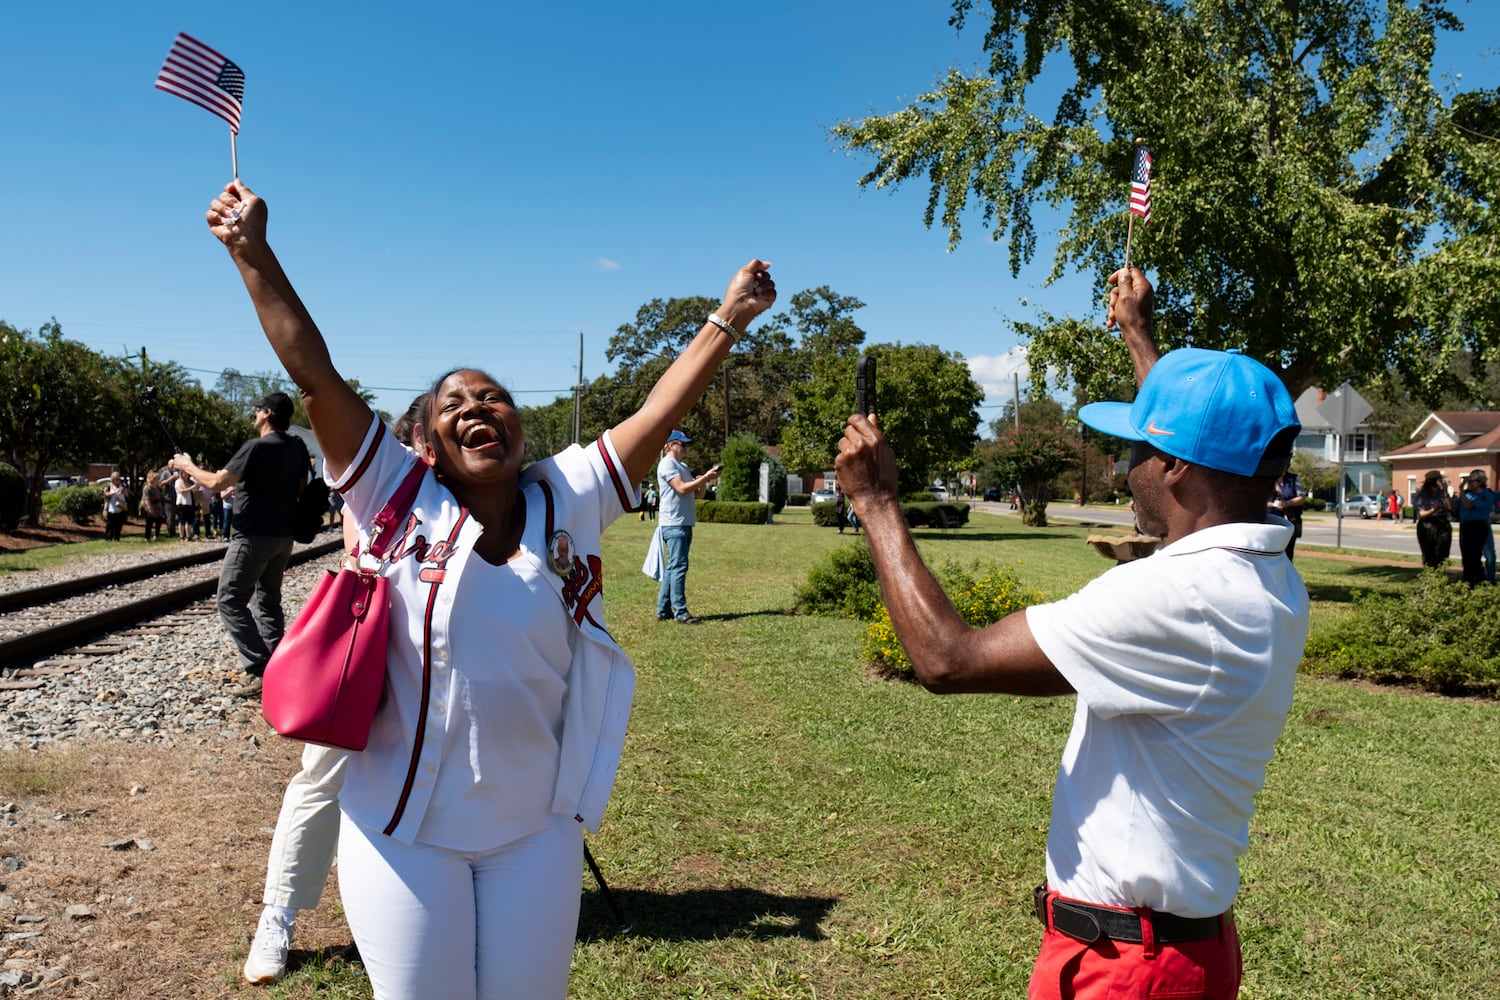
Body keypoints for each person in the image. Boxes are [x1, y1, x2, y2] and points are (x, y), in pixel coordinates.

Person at [205, 177, 773, 999]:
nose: (478, 407)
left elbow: (655, 413)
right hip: (404, 835)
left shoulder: (565, 494)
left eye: (494, 398)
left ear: (518, 429)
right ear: (427, 444)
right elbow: (315, 375)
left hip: (533, 834)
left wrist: (729, 317)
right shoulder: (396, 493)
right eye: (455, 404)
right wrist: (252, 253)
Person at [836, 267, 1306, 1000]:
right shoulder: (1269, 574)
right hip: (1182, 949)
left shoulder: (1172, 597)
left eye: (1136, 453)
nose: (1126, 474)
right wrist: (1137, 335)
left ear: (1175, 465)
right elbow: (1206, 457)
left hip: (1129, 968)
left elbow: (946, 660)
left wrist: (876, 500)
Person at [243, 394, 430, 986]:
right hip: (364, 655)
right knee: (321, 779)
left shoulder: (474, 491)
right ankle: (278, 915)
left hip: (439, 669)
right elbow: (360, 548)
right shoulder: (382, 483)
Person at [171, 390, 311, 697]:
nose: (255, 413)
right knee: (268, 601)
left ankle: (260, 669)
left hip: (252, 537)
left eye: (258, 409)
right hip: (283, 537)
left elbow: (215, 482)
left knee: (230, 599)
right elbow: (298, 487)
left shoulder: (255, 447)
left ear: (268, 414)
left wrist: (188, 464)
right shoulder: (295, 447)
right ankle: (278, 664)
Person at [655, 429, 720, 625]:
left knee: (673, 567)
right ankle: (680, 612)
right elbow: (681, 489)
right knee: (679, 567)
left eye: (687, 445)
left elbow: (697, 495)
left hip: (683, 523)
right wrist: (705, 477)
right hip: (674, 523)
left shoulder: (682, 466)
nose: (686, 448)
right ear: (671, 445)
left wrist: (703, 481)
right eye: (682, 445)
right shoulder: (667, 464)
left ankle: (663, 609)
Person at [1456, 469, 1495, 586]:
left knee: (1475, 555)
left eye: (1472, 481)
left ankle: (1481, 581)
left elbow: (1469, 506)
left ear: (1480, 482)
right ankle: (1468, 582)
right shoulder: (1467, 494)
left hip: (1478, 526)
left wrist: (1461, 490)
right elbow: (1454, 505)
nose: (1470, 483)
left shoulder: (1485, 495)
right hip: (1465, 525)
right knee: (1466, 555)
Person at [1413, 471, 1454, 570]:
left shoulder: (1442, 493)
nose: (1442, 482)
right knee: (1429, 554)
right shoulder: (1421, 495)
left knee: (1442, 554)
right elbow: (1421, 514)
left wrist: (1445, 492)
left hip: (1443, 524)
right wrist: (1434, 509)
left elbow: (1450, 507)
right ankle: (1430, 577)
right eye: (1440, 480)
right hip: (1428, 524)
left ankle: (1440, 577)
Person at [1268, 470, 1305, 560]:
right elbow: (1259, 500)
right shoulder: (1268, 478)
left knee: (1288, 552)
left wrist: (1287, 503)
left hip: (1290, 520)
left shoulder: (1294, 479)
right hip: (1270, 520)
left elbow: (1302, 498)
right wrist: (1273, 505)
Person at [103, 471, 129, 542]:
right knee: (110, 525)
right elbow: (105, 494)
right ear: (112, 479)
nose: (117, 481)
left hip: (120, 508)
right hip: (111, 508)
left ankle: (116, 538)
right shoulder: (109, 486)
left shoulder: (122, 485)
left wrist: (124, 491)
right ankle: (108, 538)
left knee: (118, 525)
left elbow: (127, 494)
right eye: (116, 479)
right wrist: (114, 493)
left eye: (118, 479)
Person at [140, 473, 167, 541]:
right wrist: (149, 508)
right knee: (149, 522)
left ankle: (156, 535)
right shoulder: (147, 488)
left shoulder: (157, 487)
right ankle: (147, 537)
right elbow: (146, 499)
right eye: (157, 479)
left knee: (159, 520)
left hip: (157, 506)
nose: (158, 480)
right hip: (151, 505)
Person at [173, 469, 198, 542]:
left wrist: (195, 486)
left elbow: (194, 490)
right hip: (181, 503)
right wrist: (191, 488)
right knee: (182, 520)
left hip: (189, 503)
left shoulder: (189, 482)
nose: (186, 475)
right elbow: (181, 491)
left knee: (189, 520)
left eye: (187, 474)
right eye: (185, 474)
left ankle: (188, 536)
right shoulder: (178, 481)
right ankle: (181, 536)